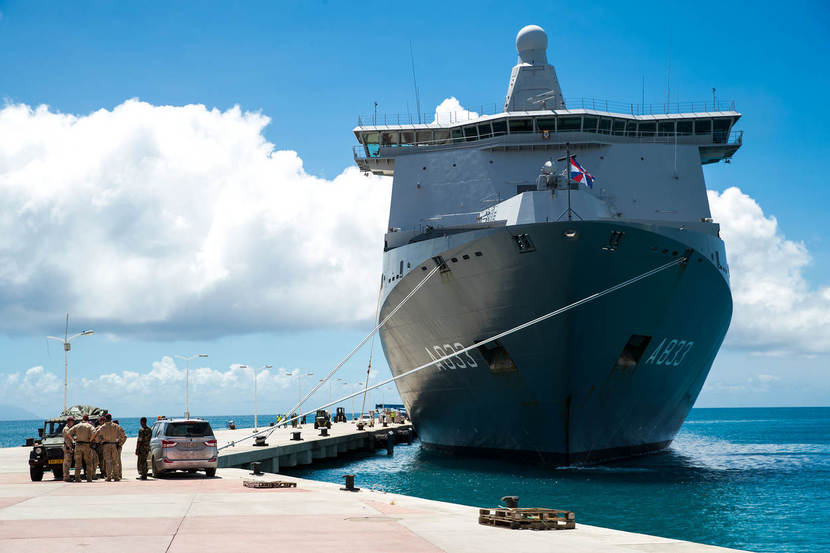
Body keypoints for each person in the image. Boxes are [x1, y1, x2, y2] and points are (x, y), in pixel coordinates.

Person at [93, 414, 122, 482]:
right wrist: (119, 442)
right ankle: (116, 477)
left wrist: (99, 441)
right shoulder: (116, 426)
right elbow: (123, 435)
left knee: (108, 462)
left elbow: (96, 434)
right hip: (114, 444)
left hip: (106, 445)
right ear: (111, 418)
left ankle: (108, 477)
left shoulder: (102, 427)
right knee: (115, 461)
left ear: (106, 419)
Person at [67, 414, 96, 482]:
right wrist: (91, 440)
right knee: (88, 462)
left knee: (78, 462)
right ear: (88, 420)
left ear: (82, 419)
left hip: (78, 445)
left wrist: (73, 440)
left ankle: (77, 478)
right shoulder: (89, 426)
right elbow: (95, 432)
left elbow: (68, 433)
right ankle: (89, 478)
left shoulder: (77, 426)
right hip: (86, 445)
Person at [61, 416, 75, 482]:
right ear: (70, 422)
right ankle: (66, 477)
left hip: (68, 446)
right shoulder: (66, 429)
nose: (73, 423)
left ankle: (67, 476)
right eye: (72, 421)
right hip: (67, 446)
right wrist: (70, 447)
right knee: (67, 463)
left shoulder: (69, 428)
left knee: (68, 462)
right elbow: (67, 440)